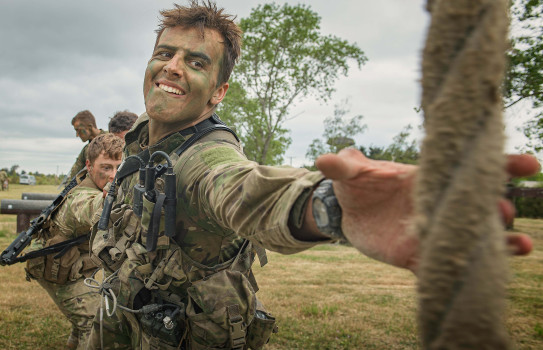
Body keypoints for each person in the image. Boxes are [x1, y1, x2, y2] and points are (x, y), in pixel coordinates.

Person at [85, 2, 538, 349]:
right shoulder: (141, 139)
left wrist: (333, 205)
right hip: (123, 314)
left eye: (197, 62)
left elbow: (246, 191)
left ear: (219, 92)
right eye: (165, 53)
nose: (173, 66)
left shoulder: (205, 157)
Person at [25, 133, 124, 350]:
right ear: (89, 165)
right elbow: (95, 209)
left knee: (84, 318)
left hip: (72, 265)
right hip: (58, 270)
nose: (113, 175)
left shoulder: (92, 183)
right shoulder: (81, 197)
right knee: (95, 324)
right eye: (106, 167)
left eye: (119, 167)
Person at [67, 110, 106, 181]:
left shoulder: (111, 140)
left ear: (90, 127)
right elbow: (74, 174)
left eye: (78, 130)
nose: (77, 135)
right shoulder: (86, 150)